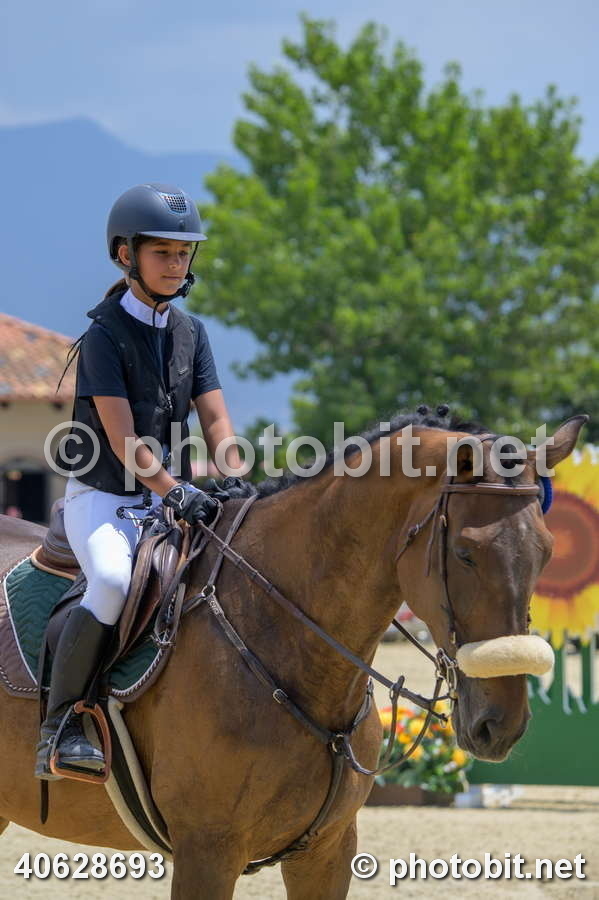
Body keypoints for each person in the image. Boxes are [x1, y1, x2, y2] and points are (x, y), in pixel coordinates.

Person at [35, 183, 243, 779]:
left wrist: (237, 478)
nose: (176, 264)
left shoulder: (191, 333)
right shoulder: (104, 334)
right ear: (126, 255)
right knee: (110, 581)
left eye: (183, 253)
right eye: (162, 253)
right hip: (103, 498)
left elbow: (216, 421)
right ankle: (61, 725)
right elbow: (125, 440)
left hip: (170, 501)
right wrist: (175, 490)